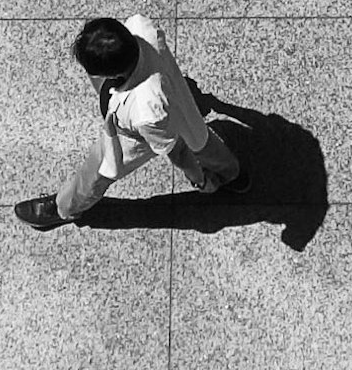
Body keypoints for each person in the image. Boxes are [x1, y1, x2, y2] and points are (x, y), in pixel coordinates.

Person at [12, 14, 239, 230]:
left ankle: (65, 207)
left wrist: (198, 179)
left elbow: (177, 151)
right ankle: (235, 175)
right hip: (179, 100)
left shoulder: (145, 110)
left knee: (96, 173)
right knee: (204, 142)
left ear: (112, 75)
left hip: (134, 134)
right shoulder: (141, 26)